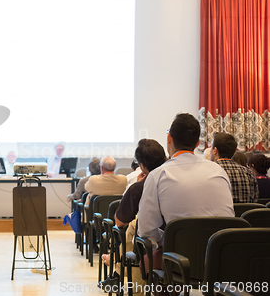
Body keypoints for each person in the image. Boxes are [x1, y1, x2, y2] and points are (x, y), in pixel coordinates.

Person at [137, 113, 234, 251]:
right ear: (197, 143)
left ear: (169, 138)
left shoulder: (158, 175)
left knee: (145, 262)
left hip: (182, 260)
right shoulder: (218, 171)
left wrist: (171, 238)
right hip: (222, 259)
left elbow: (146, 230)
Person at [101, 139, 167, 288]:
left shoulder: (138, 188)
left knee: (135, 228)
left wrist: (135, 185)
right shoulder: (175, 182)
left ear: (142, 166)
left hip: (151, 250)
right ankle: (116, 268)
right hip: (184, 247)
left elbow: (119, 222)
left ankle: (119, 271)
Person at [210, 132, 258, 203]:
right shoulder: (248, 173)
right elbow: (255, 201)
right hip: (244, 213)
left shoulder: (209, 171)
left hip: (220, 214)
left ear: (215, 150)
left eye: (211, 147)